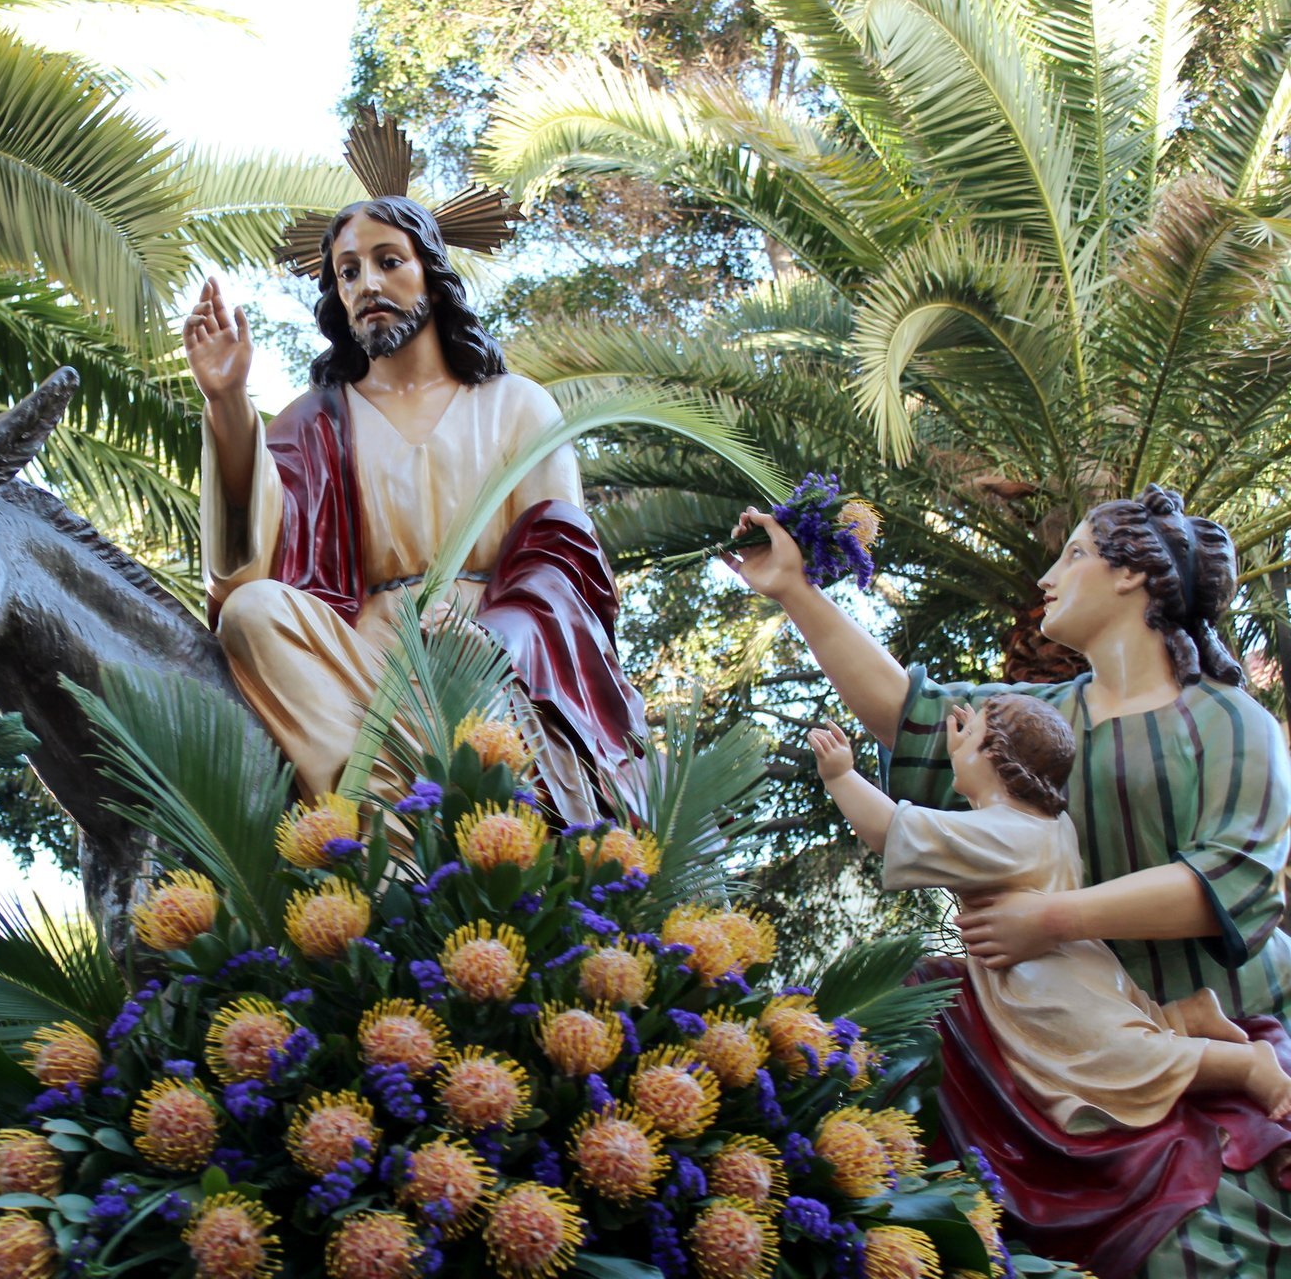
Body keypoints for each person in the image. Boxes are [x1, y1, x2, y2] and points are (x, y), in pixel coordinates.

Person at [726, 483, 1291, 1275]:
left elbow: (1224, 881)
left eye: (1075, 555)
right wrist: (794, 587)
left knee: (1203, 1257)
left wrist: (1048, 919)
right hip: (1046, 1048)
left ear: (1133, 576)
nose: (1048, 578)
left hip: (1217, 1036)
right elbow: (907, 711)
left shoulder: (1233, 722)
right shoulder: (1048, 717)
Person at [185, 196, 645, 820]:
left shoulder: (515, 405)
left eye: (388, 261)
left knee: (492, 716)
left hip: (493, 663)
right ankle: (387, 829)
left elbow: (561, 561)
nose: (367, 283)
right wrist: (228, 405)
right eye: (348, 272)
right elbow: (239, 575)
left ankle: (425, 818)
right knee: (252, 611)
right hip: (363, 674)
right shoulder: (316, 420)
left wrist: (490, 640)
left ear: (430, 271)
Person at [811, 698, 1291, 1130]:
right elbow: (977, 805)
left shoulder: (1003, 835)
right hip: (1081, 968)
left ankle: (1249, 1066)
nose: (958, 747)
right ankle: (1186, 1017)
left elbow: (889, 830)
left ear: (996, 759)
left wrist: (840, 776)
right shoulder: (1047, 823)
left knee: (1117, 1061)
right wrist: (969, 751)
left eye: (970, 739)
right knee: (1120, 1031)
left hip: (1047, 989)